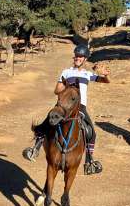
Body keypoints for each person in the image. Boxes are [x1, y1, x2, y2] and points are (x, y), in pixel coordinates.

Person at [23, 44, 110, 175]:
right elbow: (56, 90)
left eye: (80, 56)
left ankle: (89, 161)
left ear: (85, 59)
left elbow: (105, 81)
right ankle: (34, 149)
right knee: (48, 121)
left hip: (80, 107)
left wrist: (105, 75)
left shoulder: (88, 74)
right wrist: (65, 87)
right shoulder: (66, 72)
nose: (77, 58)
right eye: (76, 56)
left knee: (91, 132)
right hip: (64, 105)